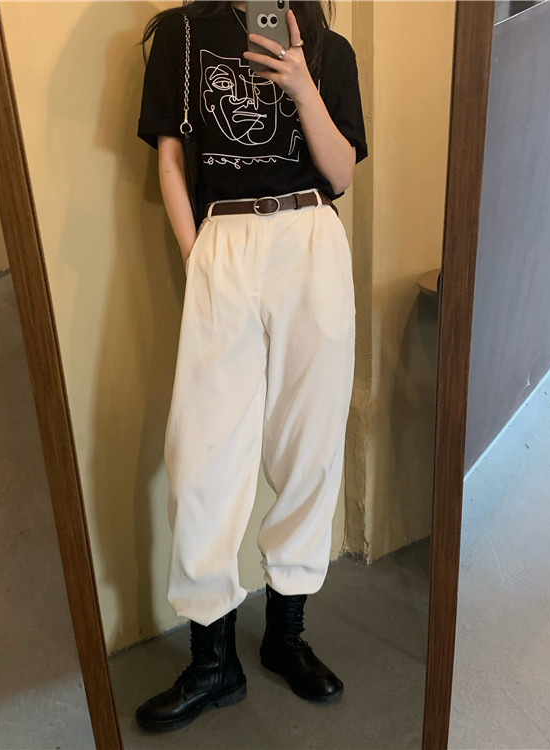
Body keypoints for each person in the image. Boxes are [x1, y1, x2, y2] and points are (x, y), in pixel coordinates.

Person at [134, 0, 367, 732]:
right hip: (223, 241)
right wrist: (198, 255)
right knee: (202, 455)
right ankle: (213, 663)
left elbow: (341, 173)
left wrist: (301, 85)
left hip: (310, 237)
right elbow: (170, 159)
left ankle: (285, 636)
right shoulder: (181, 34)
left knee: (309, 447)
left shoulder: (328, 46)